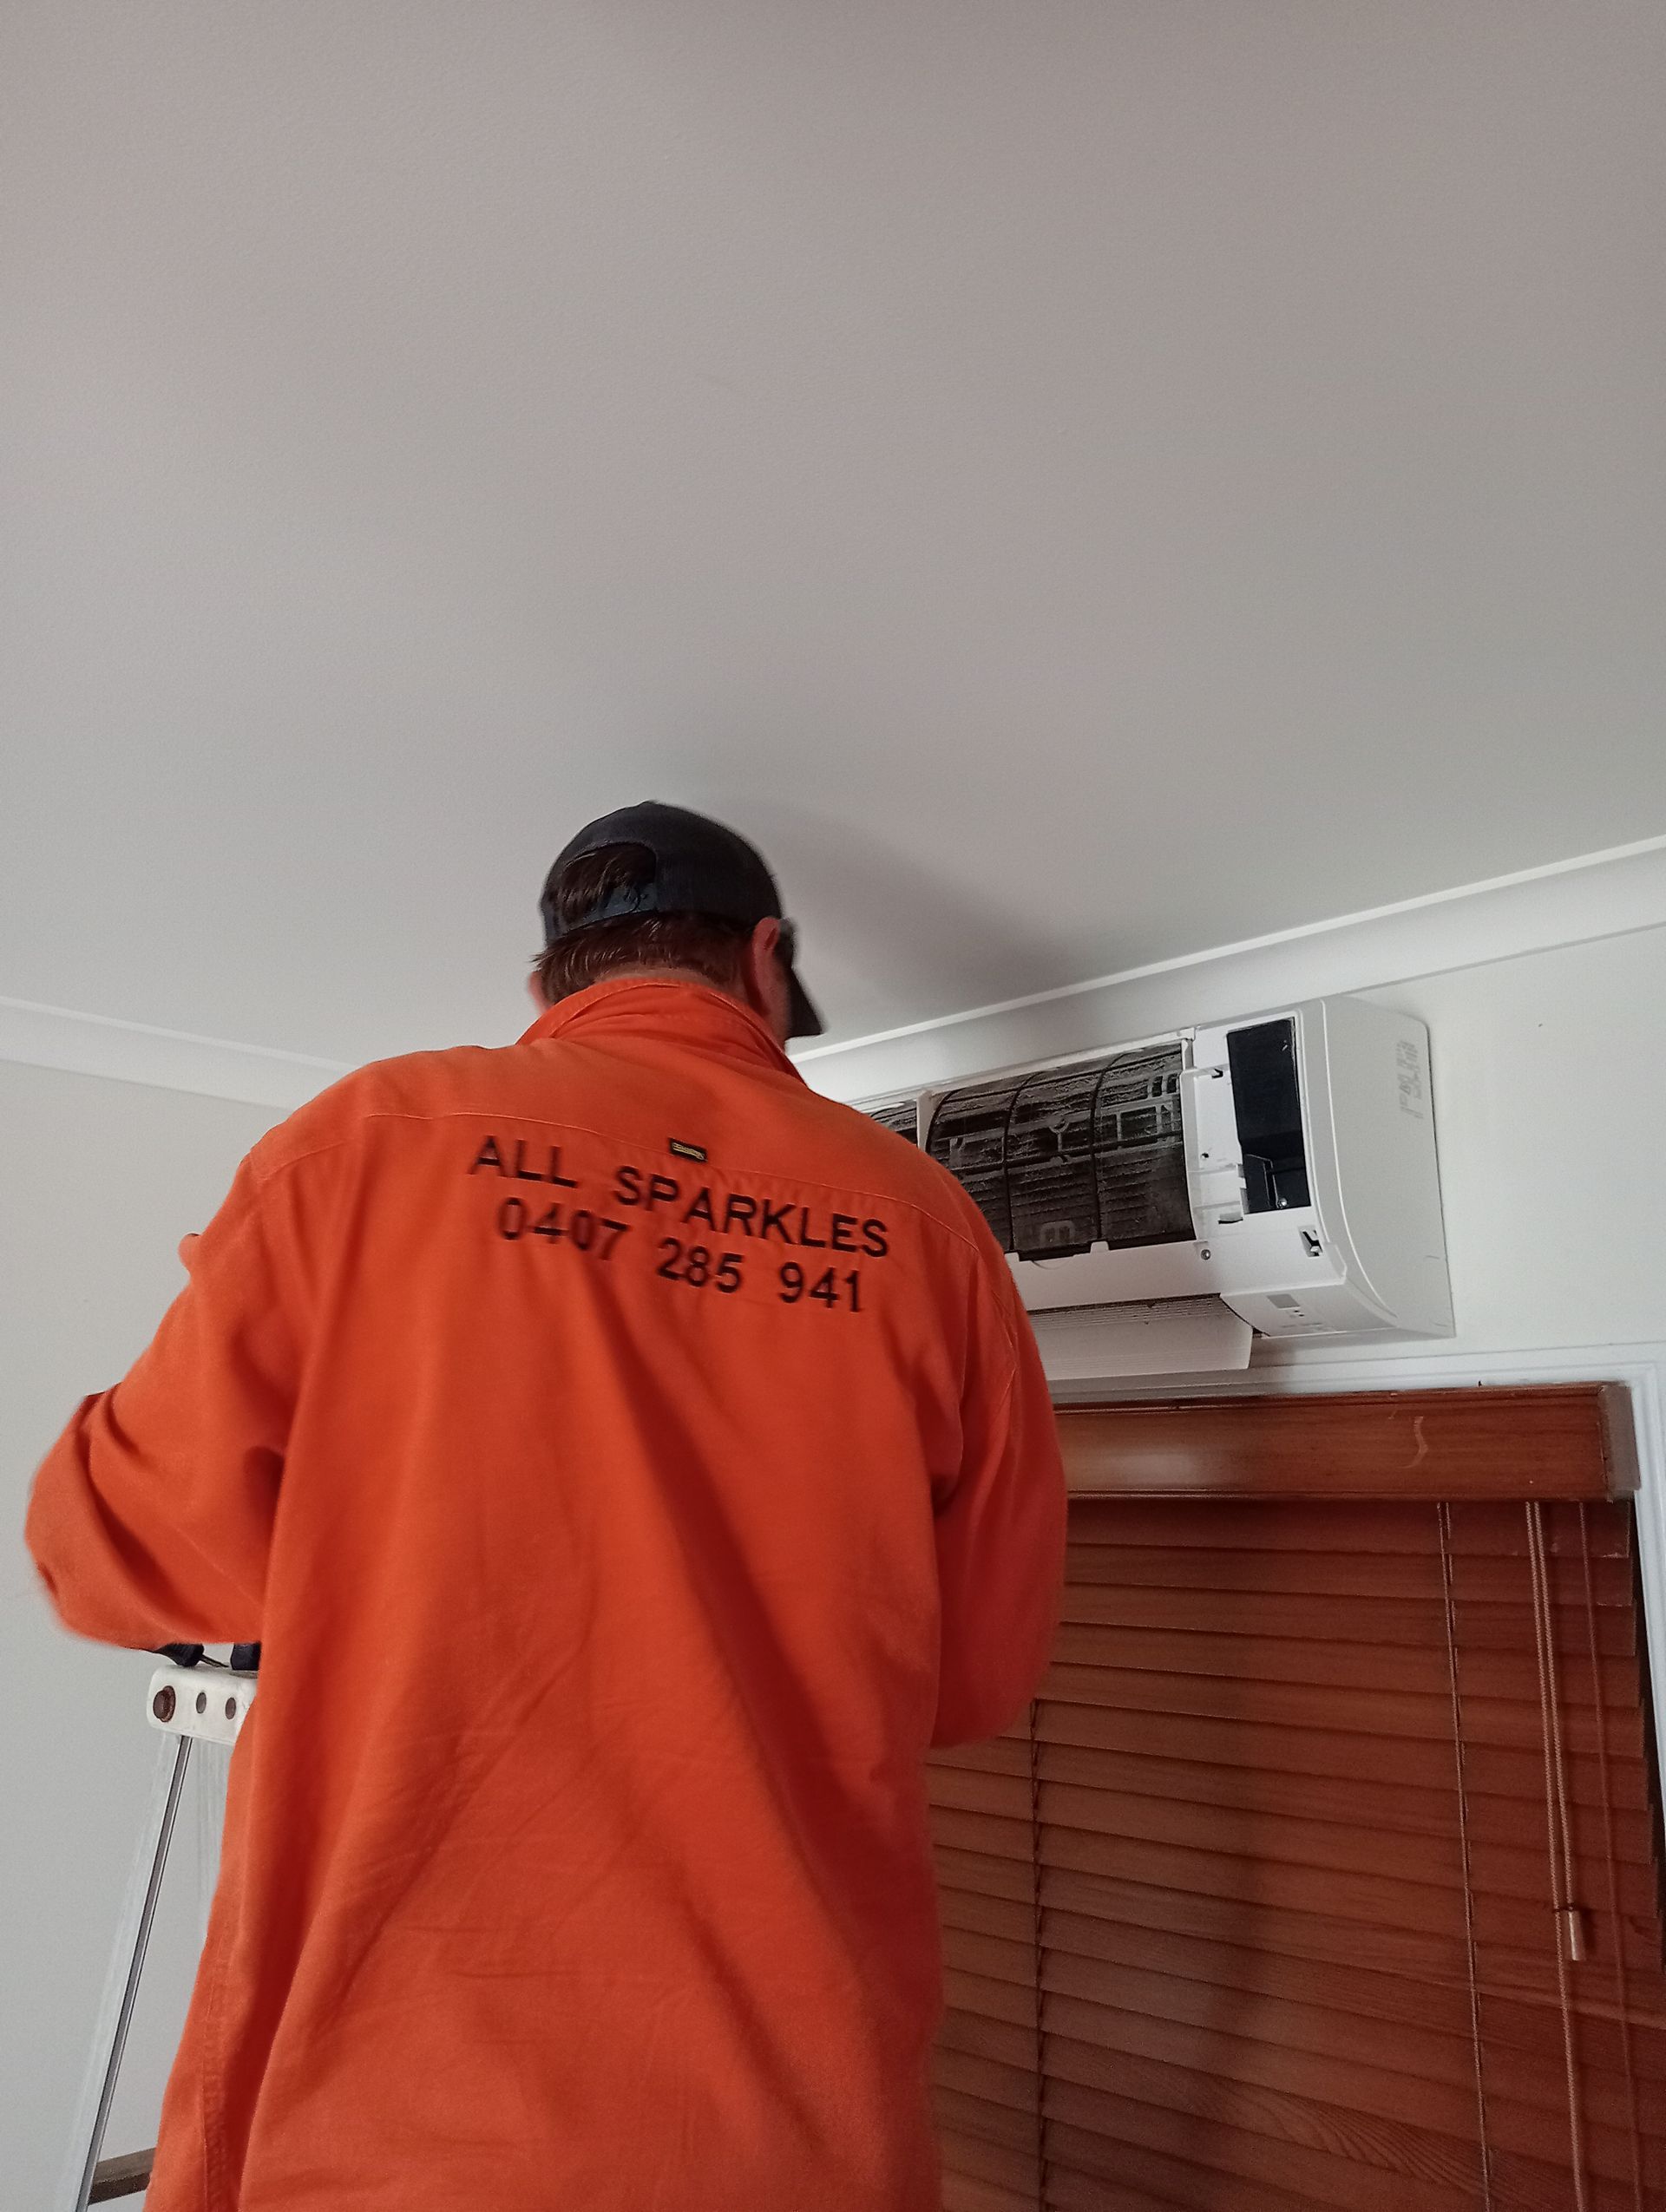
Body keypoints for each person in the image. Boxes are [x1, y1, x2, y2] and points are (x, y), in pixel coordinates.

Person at [27, 801, 1066, 2212]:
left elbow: (110, 1557)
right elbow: (976, 1675)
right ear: (765, 962)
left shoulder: (368, 1144)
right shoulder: (930, 1226)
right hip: (800, 2137)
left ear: (545, 991)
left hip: (392, 2126)